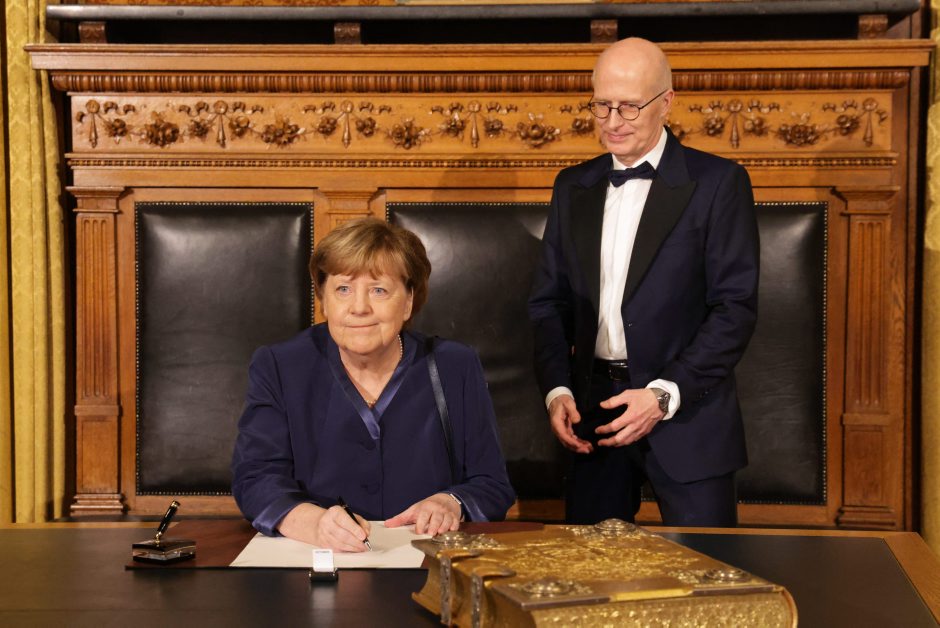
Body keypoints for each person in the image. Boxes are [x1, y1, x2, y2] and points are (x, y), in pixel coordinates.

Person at [528, 37, 759, 527]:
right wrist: (557, 390)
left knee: (704, 570)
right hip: (595, 415)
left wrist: (662, 395)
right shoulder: (572, 186)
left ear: (666, 102)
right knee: (589, 572)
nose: (612, 121)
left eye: (629, 107)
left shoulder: (719, 183)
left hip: (689, 414)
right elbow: (548, 304)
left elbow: (735, 308)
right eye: (602, 105)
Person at [232, 217, 515, 551]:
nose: (359, 308)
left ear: (408, 301)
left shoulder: (455, 365)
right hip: (315, 559)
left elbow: (492, 484)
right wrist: (314, 523)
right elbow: (255, 479)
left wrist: (451, 502)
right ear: (323, 299)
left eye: (379, 290)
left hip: (426, 558)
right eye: (343, 289)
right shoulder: (280, 366)